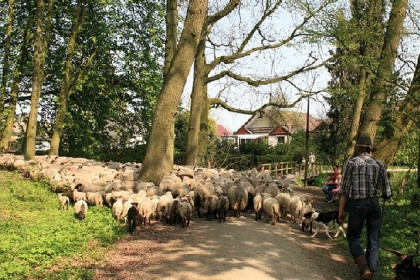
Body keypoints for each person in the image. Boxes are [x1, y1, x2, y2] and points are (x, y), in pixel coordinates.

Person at [338, 134, 392, 280]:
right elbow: (387, 192)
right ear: (370, 148)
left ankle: (364, 267)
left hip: (357, 204)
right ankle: (371, 272)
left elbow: (344, 191)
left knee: (353, 237)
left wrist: (341, 211)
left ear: (358, 148)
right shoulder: (380, 164)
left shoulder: (351, 163)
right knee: (373, 239)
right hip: (374, 204)